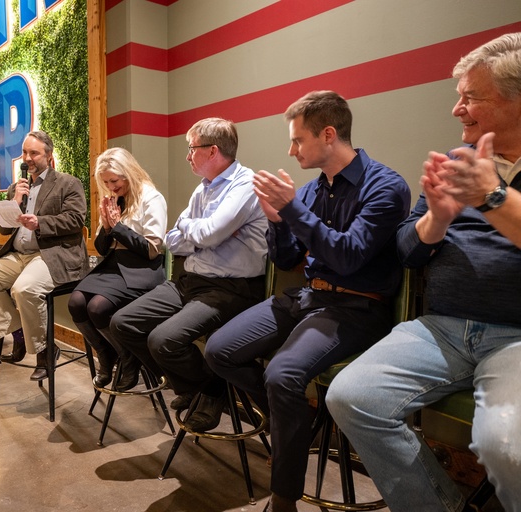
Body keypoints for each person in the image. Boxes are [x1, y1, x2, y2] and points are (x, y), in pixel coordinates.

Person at [326, 33, 521, 512]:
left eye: (471, 97)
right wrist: (438, 216)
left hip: (515, 337)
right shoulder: (458, 161)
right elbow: (408, 251)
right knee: (350, 397)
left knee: (506, 448)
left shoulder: (482, 177)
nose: (457, 109)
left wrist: (491, 196)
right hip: (443, 328)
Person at [204, 91, 411, 512]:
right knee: (219, 350)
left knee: (282, 375)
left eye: (298, 140)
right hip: (309, 297)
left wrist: (292, 210)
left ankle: (284, 497)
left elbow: (348, 256)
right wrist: (278, 221)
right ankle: (291, 428)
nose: (291, 149)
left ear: (329, 135)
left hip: (359, 308)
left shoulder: (386, 186)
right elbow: (287, 259)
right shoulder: (313, 192)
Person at [109, 118, 269, 431]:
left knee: (163, 340)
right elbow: (173, 240)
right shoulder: (203, 189)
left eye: (191, 149)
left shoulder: (245, 185)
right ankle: (195, 387)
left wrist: (197, 232)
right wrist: (200, 233)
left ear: (212, 151)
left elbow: (206, 234)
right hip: (190, 281)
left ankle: (209, 391)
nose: (188, 156)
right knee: (123, 323)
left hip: (230, 288)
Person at [0, 130, 88, 380]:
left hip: (51, 254)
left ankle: (45, 351)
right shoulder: (17, 187)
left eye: (34, 153)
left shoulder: (68, 183)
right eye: (25, 152)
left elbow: (76, 219)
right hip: (18, 255)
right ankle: (20, 336)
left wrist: (40, 222)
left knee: (24, 289)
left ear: (48, 154)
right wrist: (14, 201)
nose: (27, 158)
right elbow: (4, 229)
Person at [68, 148, 168, 389]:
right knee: (76, 302)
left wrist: (117, 227)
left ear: (129, 173)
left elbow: (151, 250)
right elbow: (103, 249)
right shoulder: (115, 200)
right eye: (106, 182)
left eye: (114, 180)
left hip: (142, 268)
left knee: (97, 307)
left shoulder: (151, 198)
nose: (111, 187)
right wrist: (105, 226)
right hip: (114, 266)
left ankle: (128, 358)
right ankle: (106, 354)